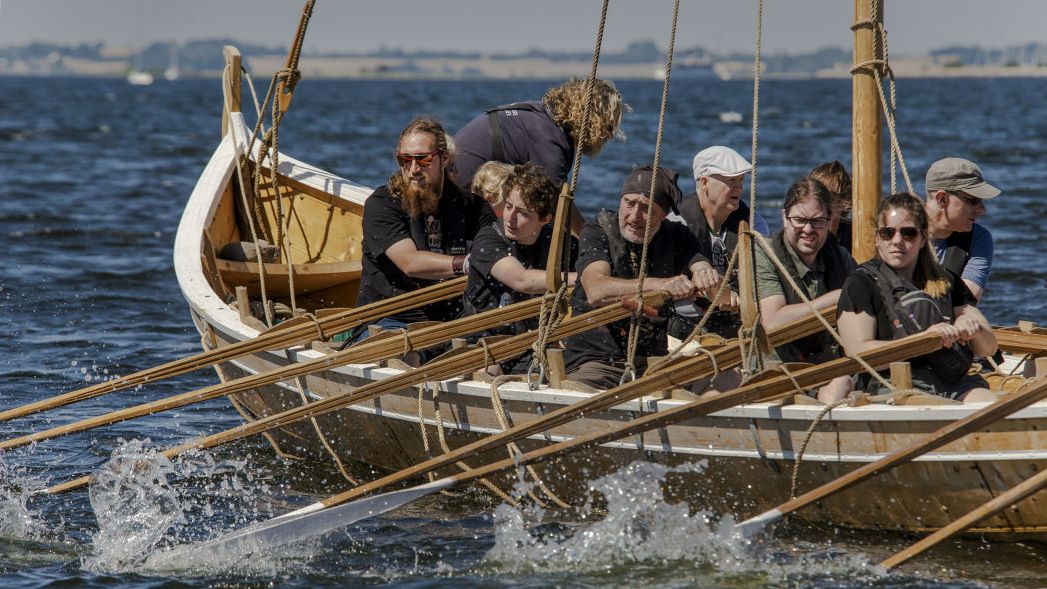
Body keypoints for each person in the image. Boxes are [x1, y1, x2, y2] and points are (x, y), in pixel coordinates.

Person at [563, 165, 724, 389]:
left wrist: (707, 275)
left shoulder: (678, 236)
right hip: (598, 361)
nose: (635, 217)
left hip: (653, 359)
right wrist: (662, 285)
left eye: (647, 208)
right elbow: (596, 291)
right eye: (629, 204)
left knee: (721, 380)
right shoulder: (597, 232)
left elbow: (702, 269)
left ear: (664, 214)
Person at [837, 193, 998, 402]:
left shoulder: (947, 281)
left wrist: (974, 329)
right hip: (892, 385)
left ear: (923, 238)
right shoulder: (861, 283)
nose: (896, 241)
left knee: (990, 404)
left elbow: (989, 348)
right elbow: (858, 354)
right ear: (877, 238)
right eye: (887, 233)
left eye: (908, 233)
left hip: (950, 382)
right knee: (943, 409)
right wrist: (923, 341)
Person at [356, 117, 496, 338]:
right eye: (405, 160)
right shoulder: (382, 204)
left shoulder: (474, 208)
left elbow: (496, 255)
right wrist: (469, 263)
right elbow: (410, 263)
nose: (413, 169)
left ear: (444, 159)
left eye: (423, 160)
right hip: (391, 319)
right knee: (406, 354)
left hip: (454, 319)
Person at [452, 77, 627, 235]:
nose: (609, 135)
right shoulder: (551, 143)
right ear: (593, 118)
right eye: (609, 126)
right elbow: (560, 207)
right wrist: (590, 241)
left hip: (459, 180)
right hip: (462, 194)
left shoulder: (539, 114)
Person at [464, 163, 577, 374]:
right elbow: (521, 281)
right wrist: (581, 278)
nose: (510, 218)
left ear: (545, 219)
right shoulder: (488, 239)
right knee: (490, 371)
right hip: (485, 340)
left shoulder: (558, 242)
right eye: (508, 206)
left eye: (522, 213)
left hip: (531, 341)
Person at [754, 177, 856, 402]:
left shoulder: (842, 259)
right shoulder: (765, 255)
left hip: (830, 366)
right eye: (800, 220)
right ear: (784, 217)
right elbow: (772, 322)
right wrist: (835, 298)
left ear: (829, 222)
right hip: (780, 372)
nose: (808, 229)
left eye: (818, 221)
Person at [672, 145, 769, 338]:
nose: (739, 187)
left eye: (741, 180)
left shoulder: (752, 221)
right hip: (688, 321)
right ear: (705, 182)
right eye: (731, 181)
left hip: (740, 315)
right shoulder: (676, 222)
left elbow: (765, 272)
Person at [923, 157, 999, 302]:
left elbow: (965, 302)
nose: (982, 209)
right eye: (973, 200)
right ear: (942, 199)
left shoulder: (978, 238)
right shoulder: (899, 233)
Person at [808, 160, 853, 252]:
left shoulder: (858, 238)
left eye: (828, 198)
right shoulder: (800, 233)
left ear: (847, 201)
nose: (819, 205)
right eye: (815, 196)